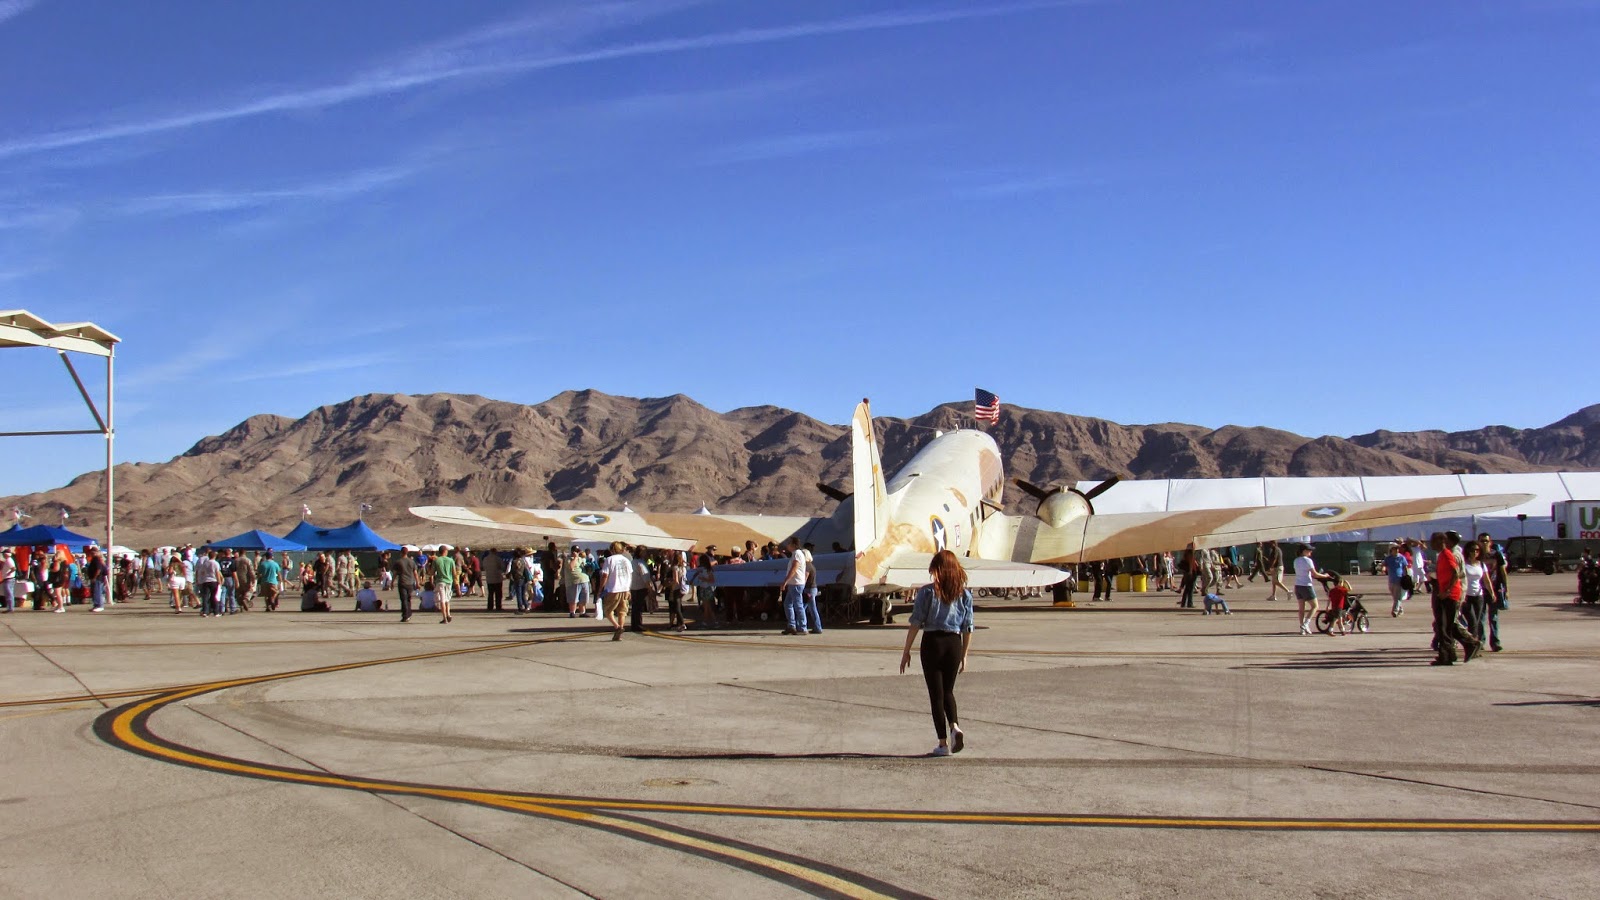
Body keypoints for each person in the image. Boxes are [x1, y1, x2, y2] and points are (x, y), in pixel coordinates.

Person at [899, 549, 974, 757]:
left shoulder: (927, 592)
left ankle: (942, 743)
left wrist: (906, 651)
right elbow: (968, 627)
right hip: (954, 643)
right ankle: (955, 726)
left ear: (937, 569)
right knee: (948, 691)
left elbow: (916, 623)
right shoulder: (965, 594)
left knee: (936, 695)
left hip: (932, 642)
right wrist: (964, 654)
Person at [1429, 531, 1480, 666]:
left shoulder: (1448, 554)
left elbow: (1455, 572)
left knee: (1446, 626)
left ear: (1442, 542)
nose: (1430, 544)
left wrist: (1447, 590)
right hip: (1445, 593)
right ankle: (1449, 654)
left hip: (1450, 595)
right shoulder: (1442, 555)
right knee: (1445, 626)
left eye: (1433, 541)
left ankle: (1468, 644)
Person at [1460, 542, 1496, 648]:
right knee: (1472, 621)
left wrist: (1492, 593)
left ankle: (1474, 644)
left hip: (1478, 596)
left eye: (1477, 550)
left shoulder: (1481, 564)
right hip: (1466, 596)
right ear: (1467, 551)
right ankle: (1472, 644)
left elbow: (1486, 580)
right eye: (1472, 550)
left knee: (1477, 621)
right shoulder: (1463, 564)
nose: (1475, 552)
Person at [1292, 544, 1329, 635]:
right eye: (1309, 550)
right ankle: (1305, 624)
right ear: (1304, 551)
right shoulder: (1308, 560)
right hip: (1306, 585)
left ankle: (1302, 628)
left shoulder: (1296, 560)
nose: (1310, 552)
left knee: (1301, 608)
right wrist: (1325, 576)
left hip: (1298, 585)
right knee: (1315, 606)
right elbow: (1315, 574)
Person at [601, 541, 634, 641]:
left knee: (607, 610)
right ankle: (620, 629)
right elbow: (630, 575)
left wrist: (600, 588)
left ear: (612, 550)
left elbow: (605, 575)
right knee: (622, 611)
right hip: (625, 588)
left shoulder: (609, 560)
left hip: (613, 588)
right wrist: (628, 588)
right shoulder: (626, 560)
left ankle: (617, 626)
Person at [780, 537, 809, 635]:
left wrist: (785, 581)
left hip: (796, 583)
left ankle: (802, 627)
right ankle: (791, 625)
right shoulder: (796, 554)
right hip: (795, 583)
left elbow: (794, 568)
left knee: (798, 605)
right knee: (788, 604)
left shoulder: (797, 554)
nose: (787, 545)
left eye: (789, 543)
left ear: (793, 544)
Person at [388, 548, 418, 622]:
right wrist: (418, 582)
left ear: (401, 553)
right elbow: (415, 573)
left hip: (402, 582)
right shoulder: (412, 561)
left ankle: (405, 615)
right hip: (410, 583)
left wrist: (392, 582)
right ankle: (409, 613)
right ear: (407, 552)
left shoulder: (398, 562)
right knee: (408, 599)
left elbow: (395, 573)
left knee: (403, 599)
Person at [1384, 542, 1411, 617]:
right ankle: (1400, 609)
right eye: (1395, 549)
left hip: (1399, 579)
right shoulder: (1388, 558)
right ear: (1391, 550)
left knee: (1397, 597)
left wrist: (1407, 576)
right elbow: (1384, 565)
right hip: (1391, 580)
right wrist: (1383, 568)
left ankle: (1395, 611)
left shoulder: (1401, 558)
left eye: (1397, 549)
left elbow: (1405, 567)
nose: (1397, 550)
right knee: (1395, 597)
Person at [431, 545, 456, 623]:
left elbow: (432, 573)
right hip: (449, 581)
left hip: (440, 581)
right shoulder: (451, 560)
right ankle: (448, 614)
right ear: (445, 551)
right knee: (447, 599)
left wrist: (432, 580)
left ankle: (444, 617)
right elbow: (454, 573)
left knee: (442, 599)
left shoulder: (436, 560)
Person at [564, 547, 591, 617]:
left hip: (584, 580)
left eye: (578, 551)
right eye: (576, 551)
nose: (577, 552)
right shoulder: (568, 559)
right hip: (573, 581)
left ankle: (582, 612)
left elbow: (585, 566)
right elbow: (571, 567)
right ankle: (572, 612)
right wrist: (575, 558)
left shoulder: (581, 559)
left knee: (584, 598)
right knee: (573, 598)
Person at [481, 548, 505, 612]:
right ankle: (498, 606)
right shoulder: (498, 559)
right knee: (498, 594)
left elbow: (484, 567)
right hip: (497, 578)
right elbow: (503, 567)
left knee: (490, 594)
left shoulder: (485, 559)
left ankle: (490, 607)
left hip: (489, 578)